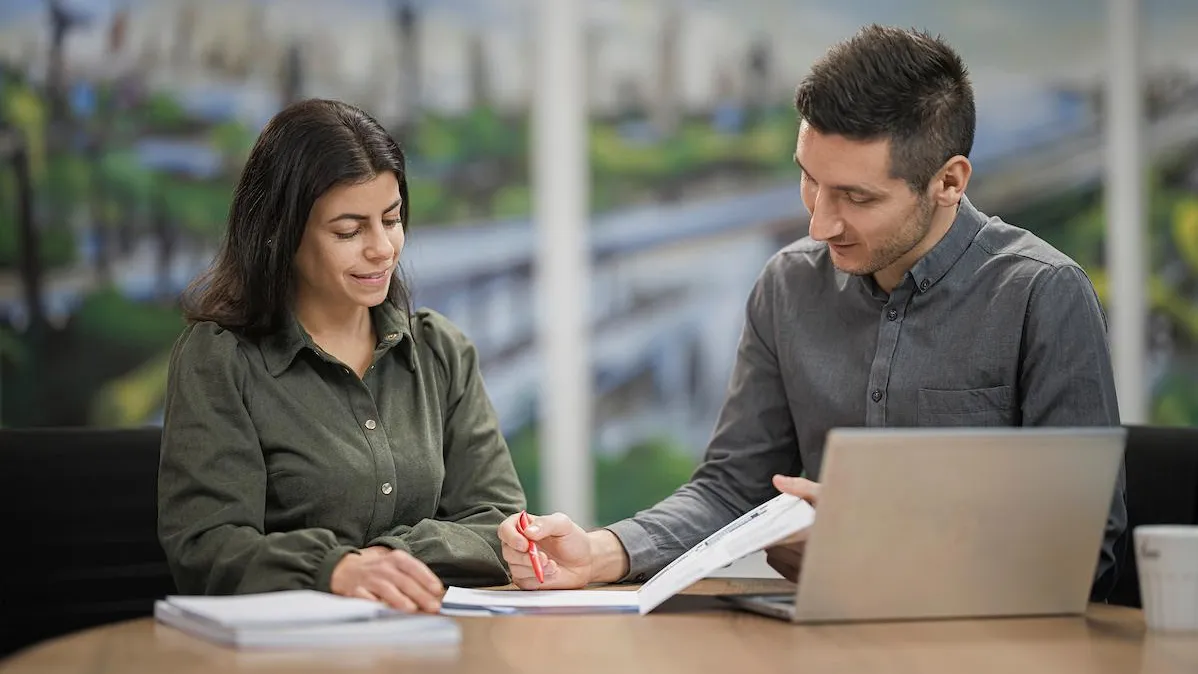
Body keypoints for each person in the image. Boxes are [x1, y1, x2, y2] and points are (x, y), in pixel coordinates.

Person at [498, 24, 1128, 601]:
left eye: (856, 197)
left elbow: (1084, 548)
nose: (820, 222)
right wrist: (601, 552)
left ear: (950, 182)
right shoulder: (788, 286)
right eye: (810, 180)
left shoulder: (1042, 294)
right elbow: (731, 487)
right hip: (828, 634)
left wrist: (876, 546)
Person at [158, 98, 526, 613]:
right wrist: (333, 570)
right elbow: (208, 548)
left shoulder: (442, 352)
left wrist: (386, 559)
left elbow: (501, 524)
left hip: (431, 643)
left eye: (392, 220)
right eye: (349, 231)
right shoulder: (221, 361)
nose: (381, 248)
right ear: (281, 234)